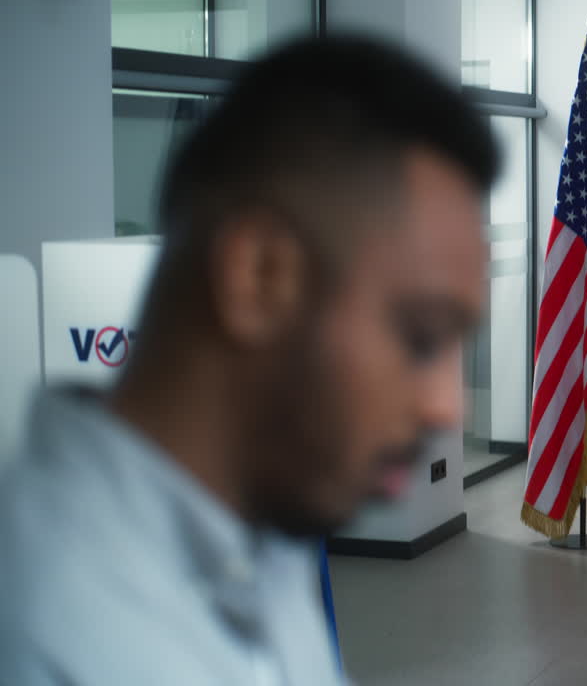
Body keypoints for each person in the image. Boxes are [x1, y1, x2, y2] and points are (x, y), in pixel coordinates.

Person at [0, 35, 498, 684]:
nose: (448, 406)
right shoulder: (38, 631)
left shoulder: (267, 539)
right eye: (421, 336)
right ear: (259, 275)